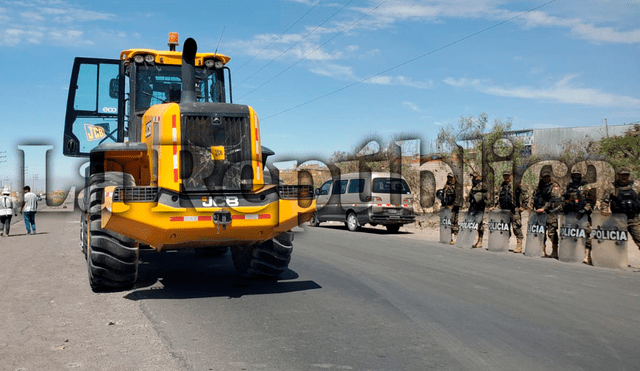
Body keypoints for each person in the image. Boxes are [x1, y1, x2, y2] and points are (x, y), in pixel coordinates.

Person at [600, 167, 640, 251]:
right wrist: (604, 211)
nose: (624, 177)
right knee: (616, 241)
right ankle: (615, 260)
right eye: (622, 175)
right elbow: (604, 201)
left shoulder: (636, 186)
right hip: (617, 219)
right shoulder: (612, 188)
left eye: (626, 175)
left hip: (633, 219)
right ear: (618, 175)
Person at [562, 168, 597, 264]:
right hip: (571, 213)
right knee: (571, 234)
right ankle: (572, 253)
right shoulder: (569, 186)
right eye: (574, 175)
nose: (576, 177)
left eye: (578, 175)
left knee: (587, 233)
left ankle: (587, 255)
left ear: (580, 176)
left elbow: (591, 201)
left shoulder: (586, 186)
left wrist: (584, 210)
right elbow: (565, 199)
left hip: (583, 214)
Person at [490, 170, 530, 253]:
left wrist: (524, 207)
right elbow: (497, 196)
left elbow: (526, 194)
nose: (506, 177)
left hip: (514, 210)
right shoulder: (502, 185)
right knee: (504, 228)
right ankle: (504, 244)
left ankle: (519, 245)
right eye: (504, 176)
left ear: (511, 176)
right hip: (504, 210)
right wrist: (494, 206)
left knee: (516, 227)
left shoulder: (516, 185)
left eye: (508, 176)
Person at [531, 168, 562, 258]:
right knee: (541, 231)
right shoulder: (539, 187)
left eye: (547, 176)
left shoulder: (554, 186)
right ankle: (542, 250)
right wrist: (532, 208)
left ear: (550, 177)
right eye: (544, 177)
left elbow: (553, 200)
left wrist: (544, 208)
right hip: (539, 213)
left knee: (552, 232)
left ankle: (555, 251)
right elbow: (534, 197)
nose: (545, 178)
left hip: (550, 212)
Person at [467, 171, 489, 248]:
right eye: (473, 177)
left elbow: (486, 196)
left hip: (480, 207)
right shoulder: (474, 185)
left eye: (475, 177)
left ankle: (480, 240)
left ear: (479, 177)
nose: (473, 178)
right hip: (473, 206)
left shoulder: (483, 185)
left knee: (479, 224)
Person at [441, 172, 463, 245]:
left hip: (454, 207)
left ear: (454, 178)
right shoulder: (447, 185)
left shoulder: (457, 186)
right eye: (448, 177)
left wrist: (454, 205)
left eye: (451, 177)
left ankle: (456, 238)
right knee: (448, 222)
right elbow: (444, 195)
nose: (449, 179)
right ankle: (449, 238)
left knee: (454, 222)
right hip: (447, 206)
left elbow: (458, 197)